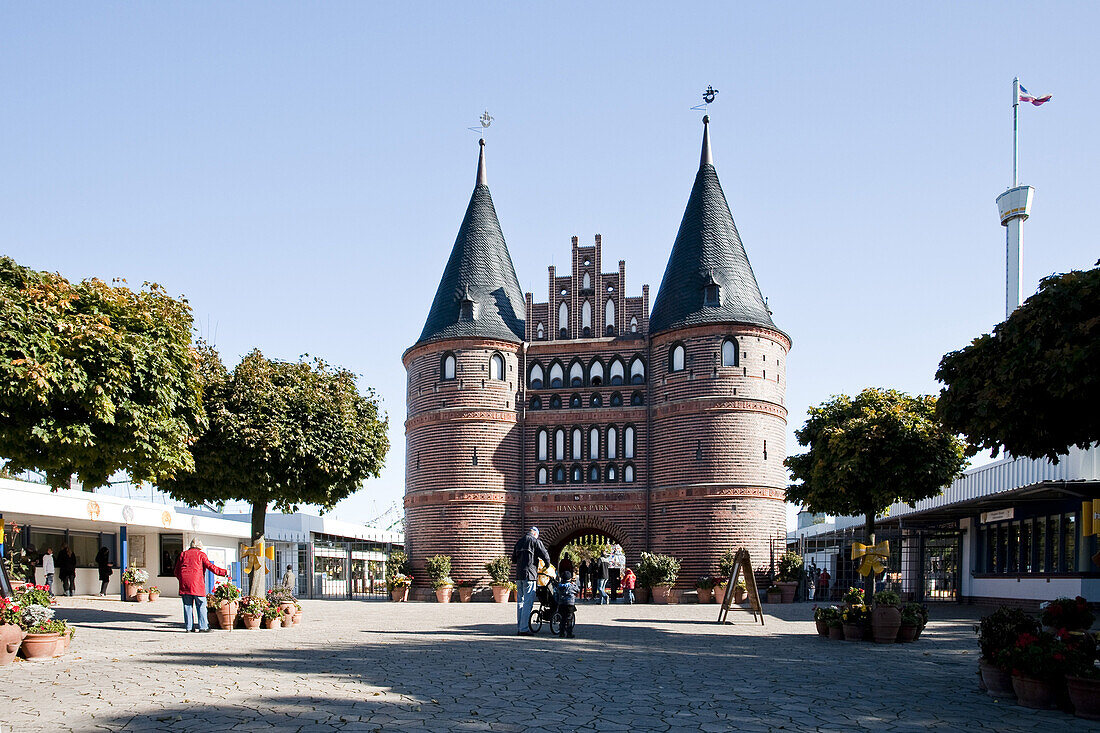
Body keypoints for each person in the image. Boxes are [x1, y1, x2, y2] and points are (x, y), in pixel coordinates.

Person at [173, 538, 227, 632]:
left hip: (185, 585)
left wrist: (182, 580)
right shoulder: (201, 555)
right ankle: (203, 627)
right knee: (201, 604)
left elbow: (176, 571)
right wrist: (223, 572)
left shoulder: (183, 554)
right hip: (197, 584)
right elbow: (210, 566)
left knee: (187, 606)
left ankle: (189, 628)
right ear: (199, 546)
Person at [511, 526, 550, 636]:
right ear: (535, 534)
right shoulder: (535, 541)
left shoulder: (519, 542)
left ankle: (520, 626)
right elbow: (545, 555)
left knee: (520, 602)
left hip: (519, 575)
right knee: (528, 603)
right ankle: (524, 629)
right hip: (530, 575)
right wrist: (547, 565)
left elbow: (513, 559)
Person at [556, 570, 578, 638]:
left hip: (561, 604)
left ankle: (561, 632)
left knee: (562, 619)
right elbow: (577, 590)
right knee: (569, 619)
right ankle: (569, 633)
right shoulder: (572, 586)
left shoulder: (560, 586)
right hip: (570, 604)